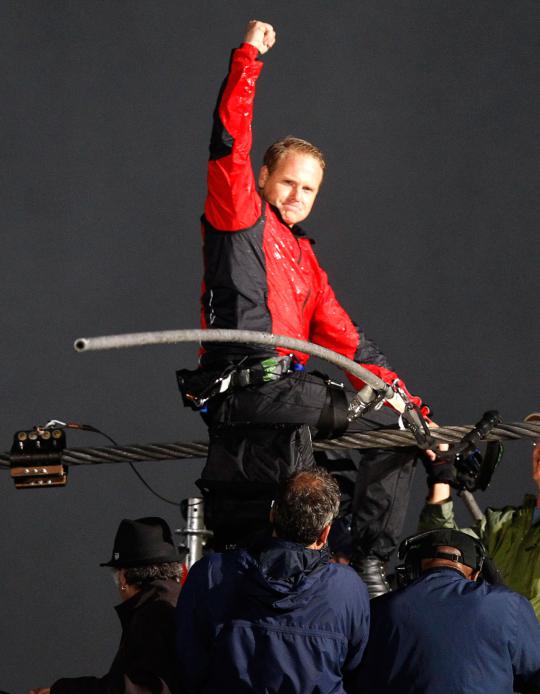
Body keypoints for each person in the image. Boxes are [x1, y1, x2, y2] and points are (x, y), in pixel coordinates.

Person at [177, 18, 432, 594]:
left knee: (395, 438)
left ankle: (370, 563)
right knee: (343, 405)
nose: (297, 196)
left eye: (309, 189)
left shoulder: (306, 262)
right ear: (264, 177)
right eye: (288, 182)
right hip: (244, 390)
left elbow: (349, 342)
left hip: (288, 400)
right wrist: (248, 59)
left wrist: (412, 405)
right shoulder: (238, 214)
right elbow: (228, 140)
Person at [175, 469, 370, 693]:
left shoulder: (211, 573)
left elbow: (188, 659)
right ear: (325, 533)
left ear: (272, 513)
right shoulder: (348, 589)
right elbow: (354, 665)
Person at [353, 528, 540, 693]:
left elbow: (359, 681)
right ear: (475, 573)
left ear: (413, 567)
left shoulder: (380, 610)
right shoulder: (509, 605)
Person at [29, 517, 182, 694]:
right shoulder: (179, 601)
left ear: (123, 578)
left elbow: (137, 689)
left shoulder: (152, 616)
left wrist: (64, 690)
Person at [418, 411, 540, 619]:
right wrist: (441, 472)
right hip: (493, 647)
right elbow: (442, 551)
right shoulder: (504, 524)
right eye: (538, 440)